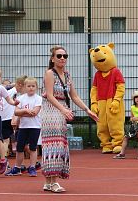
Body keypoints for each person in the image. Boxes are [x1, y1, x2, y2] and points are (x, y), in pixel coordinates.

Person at [41, 46, 98, 193]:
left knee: (58, 144)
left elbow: (74, 96)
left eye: (65, 56)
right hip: (51, 110)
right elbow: (50, 95)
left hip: (62, 111)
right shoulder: (50, 73)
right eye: (59, 56)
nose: (62, 59)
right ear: (52, 58)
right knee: (54, 144)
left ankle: (49, 181)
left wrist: (87, 110)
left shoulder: (67, 75)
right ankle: (53, 182)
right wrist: (63, 109)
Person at [6, 77, 43, 176]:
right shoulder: (21, 98)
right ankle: (17, 168)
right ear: (25, 87)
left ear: (36, 87)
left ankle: (32, 167)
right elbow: (16, 112)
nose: (31, 88)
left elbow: (35, 112)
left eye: (33, 86)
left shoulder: (38, 99)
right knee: (19, 147)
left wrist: (21, 113)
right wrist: (25, 111)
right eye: (29, 86)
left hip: (35, 126)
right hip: (23, 127)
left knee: (33, 147)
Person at [114, 90, 138, 159]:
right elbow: (131, 118)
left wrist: (137, 119)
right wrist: (132, 119)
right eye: (136, 97)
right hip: (134, 125)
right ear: (134, 99)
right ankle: (122, 153)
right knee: (125, 137)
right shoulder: (132, 107)